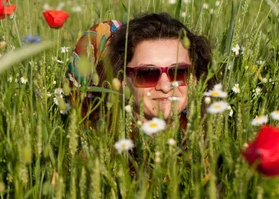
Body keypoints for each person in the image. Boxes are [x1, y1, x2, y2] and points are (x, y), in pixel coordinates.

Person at [68, 12, 213, 126]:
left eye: (179, 72)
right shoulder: (99, 153)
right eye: (148, 73)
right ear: (122, 81)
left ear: (194, 79)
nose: (165, 86)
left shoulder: (213, 147)